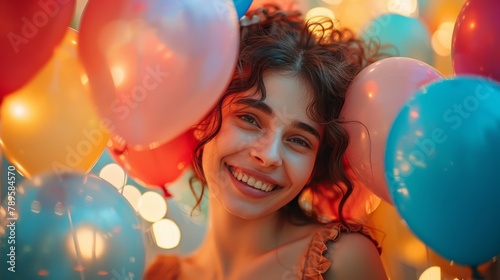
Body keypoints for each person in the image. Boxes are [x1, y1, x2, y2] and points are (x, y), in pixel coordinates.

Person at [145, 4, 387, 280]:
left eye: (298, 140)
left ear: (317, 162)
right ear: (201, 115)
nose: (269, 155)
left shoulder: (342, 260)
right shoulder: (162, 275)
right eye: (250, 119)